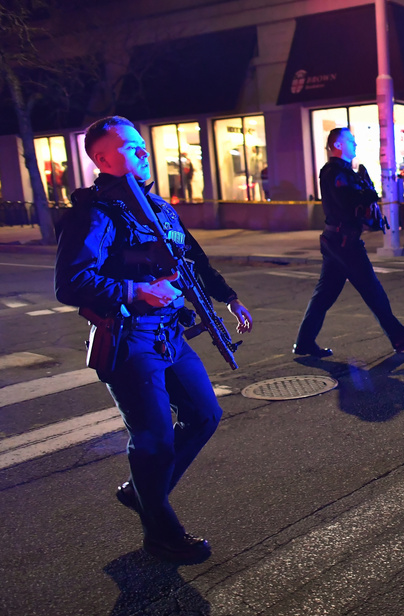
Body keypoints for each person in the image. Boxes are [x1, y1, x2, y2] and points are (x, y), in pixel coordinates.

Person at [54, 116, 254, 564]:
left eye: (142, 145)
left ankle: (144, 492)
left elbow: (192, 260)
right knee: (154, 439)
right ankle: (161, 532)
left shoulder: (158, 207)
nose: (144, 153)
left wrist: (229, 298)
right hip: (127, 337)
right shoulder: (94, 212)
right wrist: (134, 290)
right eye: (130, 148)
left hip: (169, 333)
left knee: (204, 415)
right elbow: (70, 282)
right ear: (102, 159)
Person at [293, 128, 404, 357]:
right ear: (338, 145)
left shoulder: (344, 172)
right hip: (344, 241)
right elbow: (350, 201)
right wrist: (367, 191)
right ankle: (399, 336)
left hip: (338, 240)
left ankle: (304, 342)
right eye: (351, 141)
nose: (355, 144)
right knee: (373, 290)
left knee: (324, 294)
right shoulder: (333, 172)